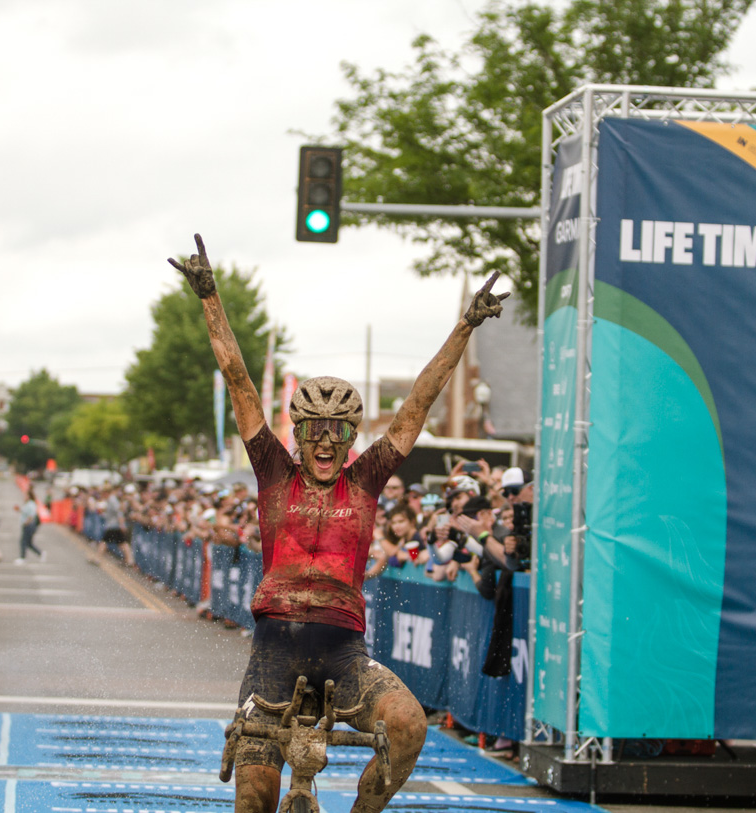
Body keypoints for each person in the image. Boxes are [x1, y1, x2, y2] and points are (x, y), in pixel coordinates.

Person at [171, 233, 507, 813]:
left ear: (351, 438)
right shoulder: (273, 472)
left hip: (344, 652)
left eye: (338, 431)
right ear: (298, 436)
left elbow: (416, 406)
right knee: (253, 799)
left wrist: (465, 327)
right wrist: (210, 298)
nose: (325, 442)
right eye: (313, 430)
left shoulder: (368, 478)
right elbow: (238, 380)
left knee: (407, 727)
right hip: (274, 651)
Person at [16, 486, 44, 564]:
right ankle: (40, 553)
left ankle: (22, 557)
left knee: (24, 541)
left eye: (25, 495)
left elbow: (31, 516)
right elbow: (26, 512)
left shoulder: (31, 504)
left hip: (29, 525)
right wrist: (19, 510)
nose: (24, 496)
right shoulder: (28, 504)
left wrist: (26, 523)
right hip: (28, 525)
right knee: (28, 543)